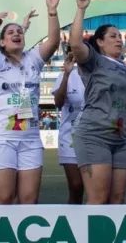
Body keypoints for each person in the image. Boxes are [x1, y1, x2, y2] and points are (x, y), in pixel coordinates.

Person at [0, 0, 62, 205]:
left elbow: (54, 41)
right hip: (0, 138)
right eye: (10, 32)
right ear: (2, 42)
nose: (16, 34)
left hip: (29, 138)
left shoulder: (33, 59)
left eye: (19, 31)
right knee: (4, 198)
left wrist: (52, 10)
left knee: (29, 200)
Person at [68, 0, 126, 204]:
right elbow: (75, 43)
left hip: (120, 138)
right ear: (100, 42)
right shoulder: (94, 60)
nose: (119, 39)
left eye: (120, 36)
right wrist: (81, 9)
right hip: (94, 135)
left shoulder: (125, 68)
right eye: (113, 36)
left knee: (117, 201)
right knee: (98, 199)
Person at [51, 49, 85, 204]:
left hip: (95, 136)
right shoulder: (67, 75)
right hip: (69, 137)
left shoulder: (99, 74)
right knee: (76, 186)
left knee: (95, 189)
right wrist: (66, 74)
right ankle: (74, 222)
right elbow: (58, 102)